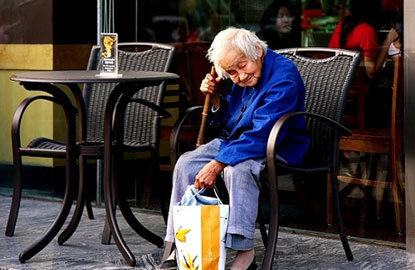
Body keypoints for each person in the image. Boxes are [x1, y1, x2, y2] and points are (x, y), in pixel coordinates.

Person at [158, 27, 310, 270]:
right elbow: (232, 120)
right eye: (232, 73)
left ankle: (245, 253)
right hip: (236, 141)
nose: (240, 76)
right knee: (186, 162)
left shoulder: (284, 76)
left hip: (275, 144)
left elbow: (261, 134)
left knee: (236, 170)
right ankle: (179, 244)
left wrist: (218, 163)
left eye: (243, 65)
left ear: (257, 50)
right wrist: (217, 97)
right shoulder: (245, 75)